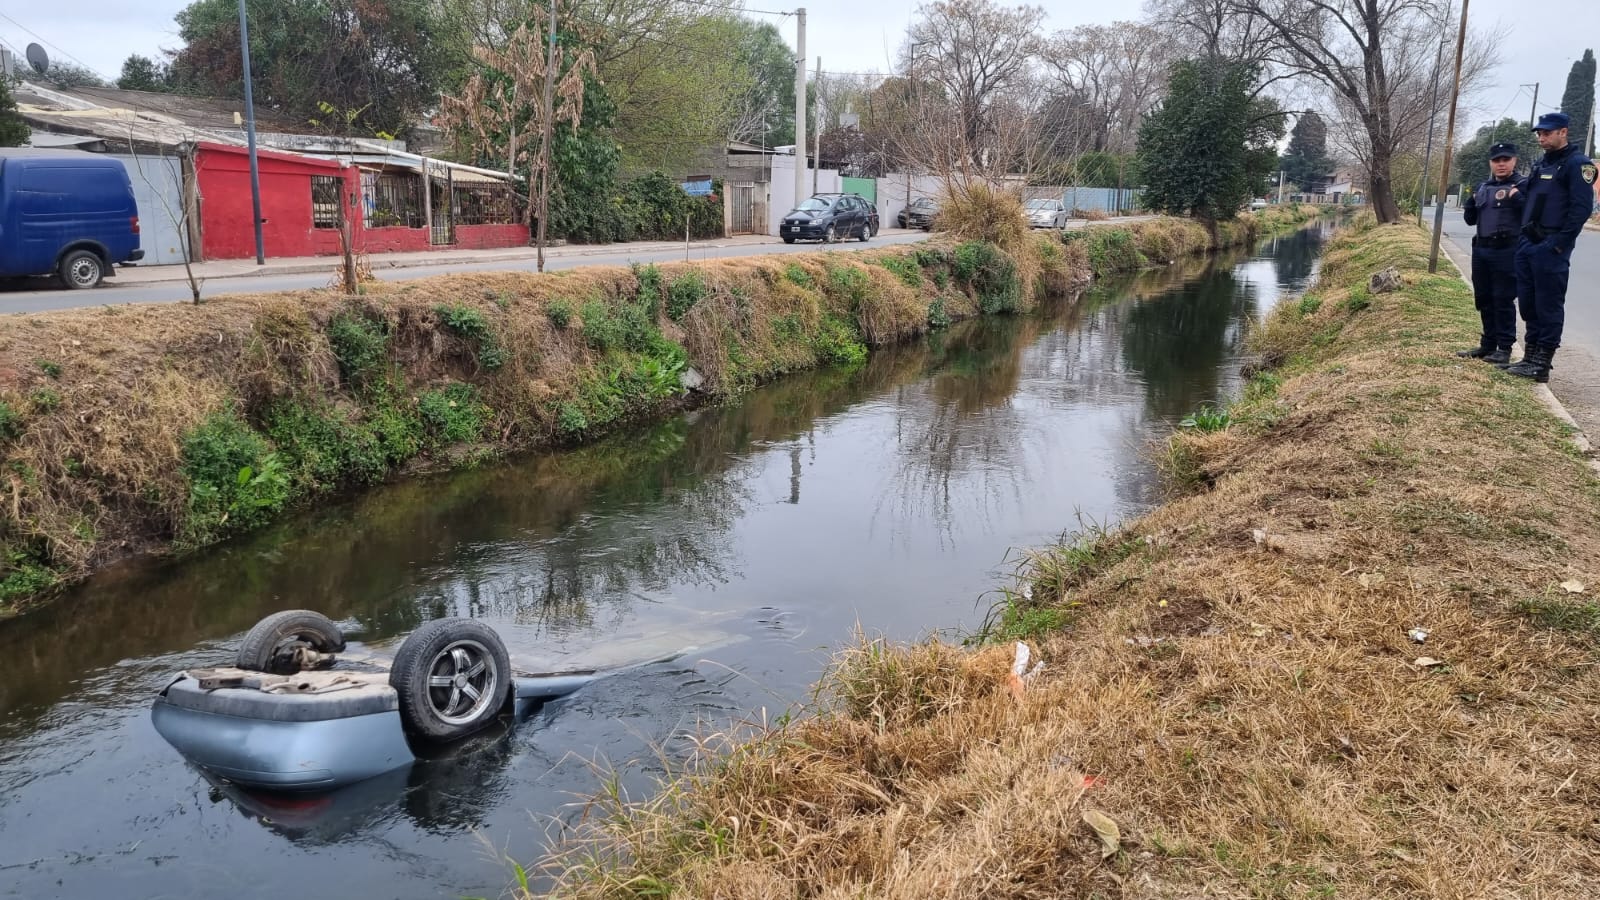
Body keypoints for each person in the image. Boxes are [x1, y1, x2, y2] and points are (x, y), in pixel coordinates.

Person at [1506, 112, 1597, 383]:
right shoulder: (1541, 164)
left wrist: (1557, 245)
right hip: (1528, 243)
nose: (1542, 137)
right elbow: (1530, 199)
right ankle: (1529, 357)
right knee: (1528, 303)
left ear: (1563, 132)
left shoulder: (1578, 164)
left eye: (1547, 133)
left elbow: (1581, 210)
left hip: (1551, 245)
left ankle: (1542, 363)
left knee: (1548, 305)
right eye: (1540, 133)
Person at [1457, 142, 1527, 364]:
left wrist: (1518, 199)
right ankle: (1488, 345)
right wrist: (1471, 201)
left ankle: (1505, 348)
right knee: (1484, 298)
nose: (1501, 164)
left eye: (1506, 159)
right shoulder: (1482, 187)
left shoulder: (1523, 186)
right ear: (1491, 163)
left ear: (1514, 161)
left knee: (1503, 299)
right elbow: (1470, 220)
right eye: (1497, 160)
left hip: (1507, 250)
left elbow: (1531, 216)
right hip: (1482, 249)